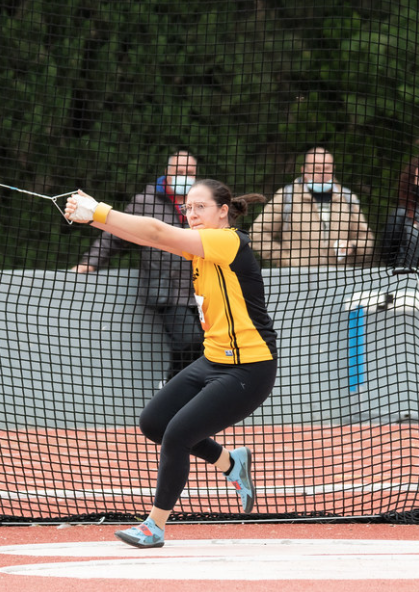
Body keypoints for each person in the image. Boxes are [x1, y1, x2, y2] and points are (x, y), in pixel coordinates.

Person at [64, 180, 277, 549]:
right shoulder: (201, 246)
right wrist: (94, 220)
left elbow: (157, 229)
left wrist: (99, 210)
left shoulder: (226, 241)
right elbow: (152, 238)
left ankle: (155, 526)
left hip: (249, 369)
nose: (192, 215)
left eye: (201, 208)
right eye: (189, 209)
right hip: (213, 361)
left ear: (223, 211)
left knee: (178, 434)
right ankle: (231, 462)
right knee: (154, 423)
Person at [71, 151, 204, 383]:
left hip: (203, 289)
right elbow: (114, 236)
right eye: (180, 172)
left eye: (190, 173)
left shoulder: (203, 203)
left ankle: (190, 398)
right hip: (167, 290)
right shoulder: (146, 202)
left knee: (207, 349)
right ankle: (171, 390)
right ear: (167, 173)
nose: (185, 177)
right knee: (188, 340)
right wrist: (89, 263)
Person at [250, 147, 375, 267]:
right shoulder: (287, 196)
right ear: (304, 170)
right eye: (316, 168)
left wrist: (352, 246)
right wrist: (286, 259)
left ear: (334, 169)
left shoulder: (347, 199)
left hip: (338, 280)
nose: (322, 173)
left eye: (327, 168)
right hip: (297, 280)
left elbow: (367, 240)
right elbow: (256, 233)